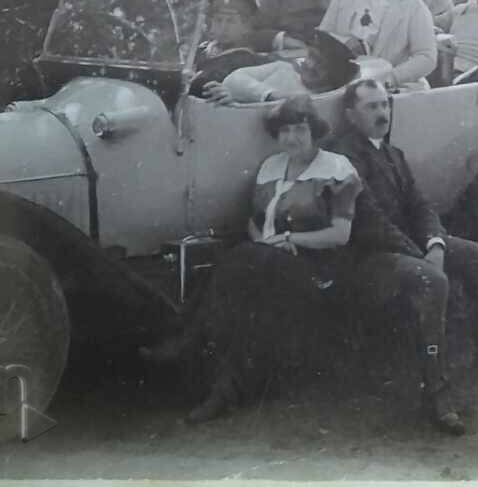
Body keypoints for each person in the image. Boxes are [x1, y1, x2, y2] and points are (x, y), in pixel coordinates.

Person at [327, 79, 478, 436]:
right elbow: (368, 221)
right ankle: (436, 396)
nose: (382, 113)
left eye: (385, 105)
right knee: (433, 280)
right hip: (366, 256)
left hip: (405, 247)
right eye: (372, 107)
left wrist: (436, 244)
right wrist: (421, 256)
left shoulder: (391, 153)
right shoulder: (343, 156)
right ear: (350, 115)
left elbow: (420, 205)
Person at [141, 95, 362, 423]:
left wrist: (287, 240)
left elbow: (340, 235)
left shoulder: (337, 168)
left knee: (244, 260)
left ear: (313, 130)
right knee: (246, 288)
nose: (292, 138)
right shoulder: (271, 167)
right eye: (284, 131)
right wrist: (266, 244)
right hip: (268, 261)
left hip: (316, 267)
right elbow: (253, 222)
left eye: (300, 129)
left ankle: (188, 341)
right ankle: (220, 390)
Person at [204, 29, 358, 104]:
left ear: (335, 74)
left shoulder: (323, 100)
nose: (310, 65)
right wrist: (273, 95)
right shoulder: (284, 69)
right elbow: (234, 79)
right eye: (311, 56)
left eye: (321, 65)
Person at [189, 0, 272, 96]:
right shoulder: (201, 50)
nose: (223, 28)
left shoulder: (246, 60)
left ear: (246, 27)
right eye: (218, 20)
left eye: (231, 21)